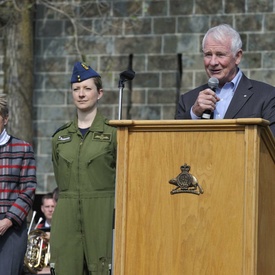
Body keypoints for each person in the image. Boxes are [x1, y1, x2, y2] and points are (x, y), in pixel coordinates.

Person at [50, 61, 117, 275]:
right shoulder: (60, 137)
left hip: (102, 215)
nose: (81, 94)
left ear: (100, 93)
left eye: (87, 88)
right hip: (67, 215)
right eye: (76, 89)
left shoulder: (114, 134)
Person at [175, 24, 275, 136]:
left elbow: (270, 146)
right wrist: (194, 114)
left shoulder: (267, 96)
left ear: (237, 57)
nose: (213, 62)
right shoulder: (188, 100)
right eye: (208, 54)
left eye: (220, 55)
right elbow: (174, 142)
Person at [0, 95, 37, 275]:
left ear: (5, 119)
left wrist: (7, 221)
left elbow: (28, 189)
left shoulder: (22, 148)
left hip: (11, 226)